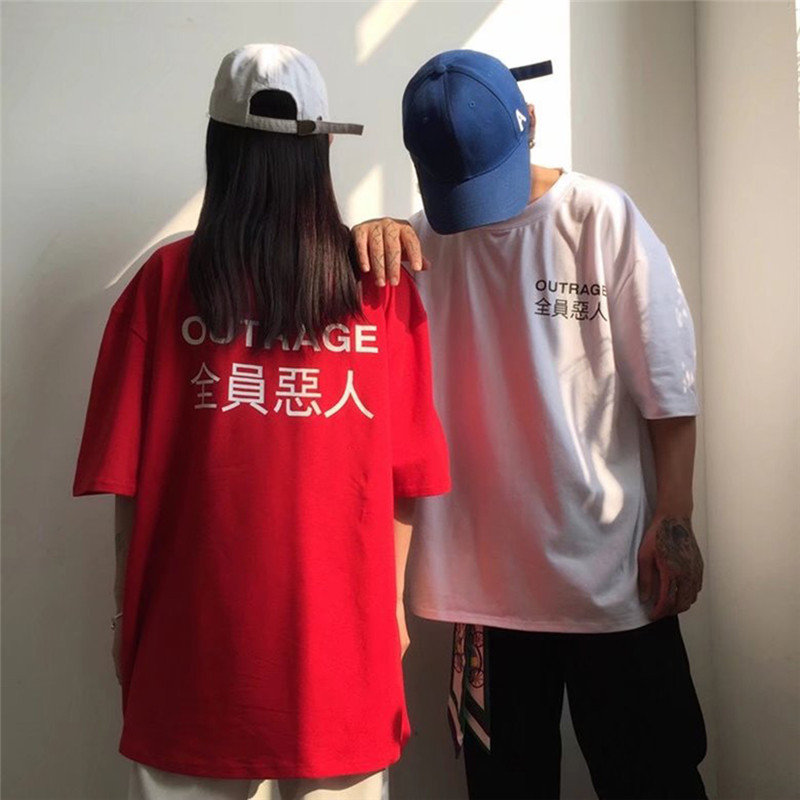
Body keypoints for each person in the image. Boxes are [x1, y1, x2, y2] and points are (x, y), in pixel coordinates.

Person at [73, 44, 450, 800]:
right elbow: (405, 482)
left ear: (220, 149)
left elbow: (130, 486)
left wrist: (125, 613)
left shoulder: (164, 286)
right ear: (320, 152)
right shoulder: (375, 295)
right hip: (342, 642)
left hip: (191, 641)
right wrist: (390, 609)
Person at [354, 49, 707, 800]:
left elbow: (668, 385)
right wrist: (362, 235)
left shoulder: (599, 217)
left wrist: (675, 517)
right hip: (485, 597)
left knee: (657, 778)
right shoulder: (416, 247)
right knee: (504, 787)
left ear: (532, 123)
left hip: (615, 577)